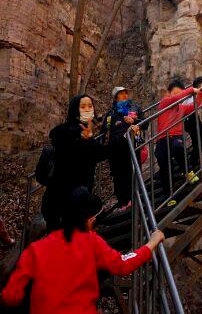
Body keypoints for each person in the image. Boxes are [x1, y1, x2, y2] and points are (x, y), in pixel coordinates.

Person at [1, 187, 164, 314]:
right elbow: (122, 265)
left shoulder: (34, 250)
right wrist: (151, 243)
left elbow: (10, 295)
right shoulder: (91, 242)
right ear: (90, 220)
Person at [40, 94, 108, 232]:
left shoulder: (88, 135)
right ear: (75, 110)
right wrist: (78, 135)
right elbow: (56, 135)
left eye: (90, 106)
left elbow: (100, 154)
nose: (88, 109)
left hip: (79, 200)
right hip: (59, 199)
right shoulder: (66, 131)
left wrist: (89, 139)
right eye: (83, 107)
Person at [155, 79, 202, 207]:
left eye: (179, 94)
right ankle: (168, 196)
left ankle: (188, 171)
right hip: (162, 139)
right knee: (164, 166)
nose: (177, 96)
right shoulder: (164, 102)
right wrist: (191, 90)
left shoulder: (181, 108)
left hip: (176, 136)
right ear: (169, 94)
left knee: (177, 146)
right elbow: (179, 97)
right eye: (174, 94)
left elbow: (195, 106)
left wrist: (200, 93)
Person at [102, 86, 144, 211]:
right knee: (118, 175)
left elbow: (145, 123)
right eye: (121, 93)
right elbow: (104, 131)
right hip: (115, 147)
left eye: (126, 93)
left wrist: (135, 120)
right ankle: (122, 202)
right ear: (116, 97)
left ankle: (134, 199)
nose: (125, 95)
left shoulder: (134, 108)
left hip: (130, 145)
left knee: (132, 171)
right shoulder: (110, 114)